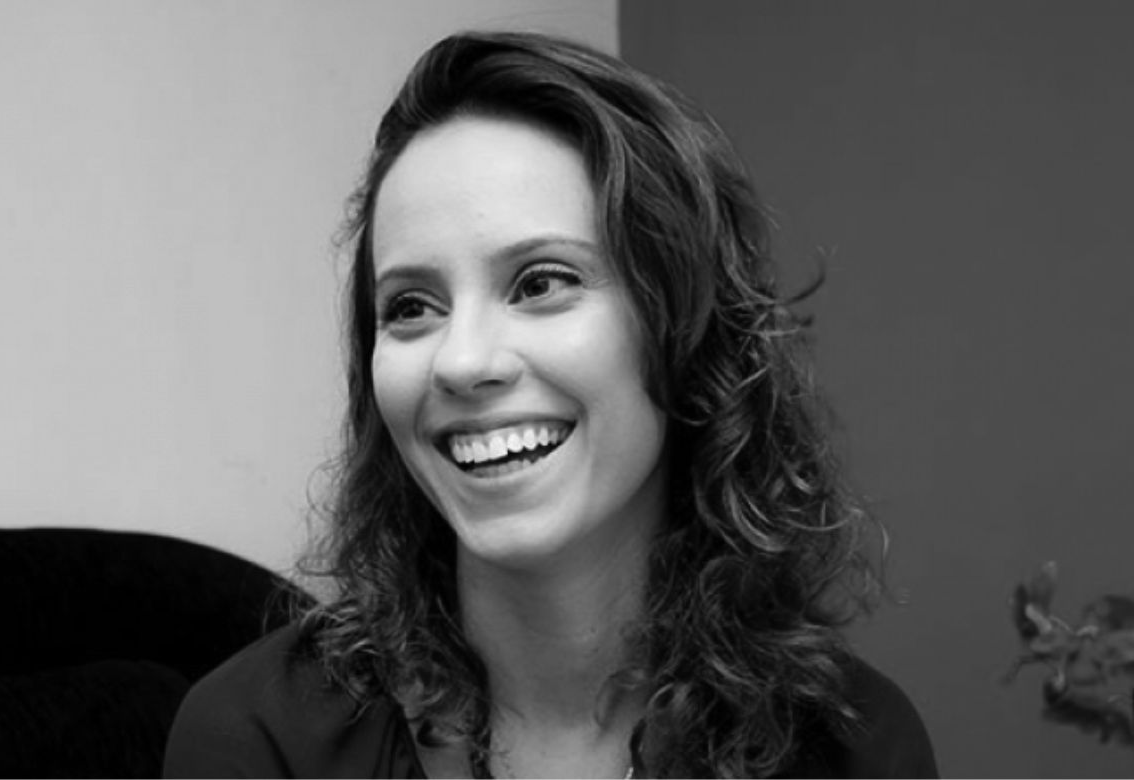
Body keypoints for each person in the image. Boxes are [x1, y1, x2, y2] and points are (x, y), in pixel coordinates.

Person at [164, 30, 938, 778]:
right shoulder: (253, 740)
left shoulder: (854, 750)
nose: (462, 362)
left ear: (685, 325)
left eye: (540, 283)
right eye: (411, 307)